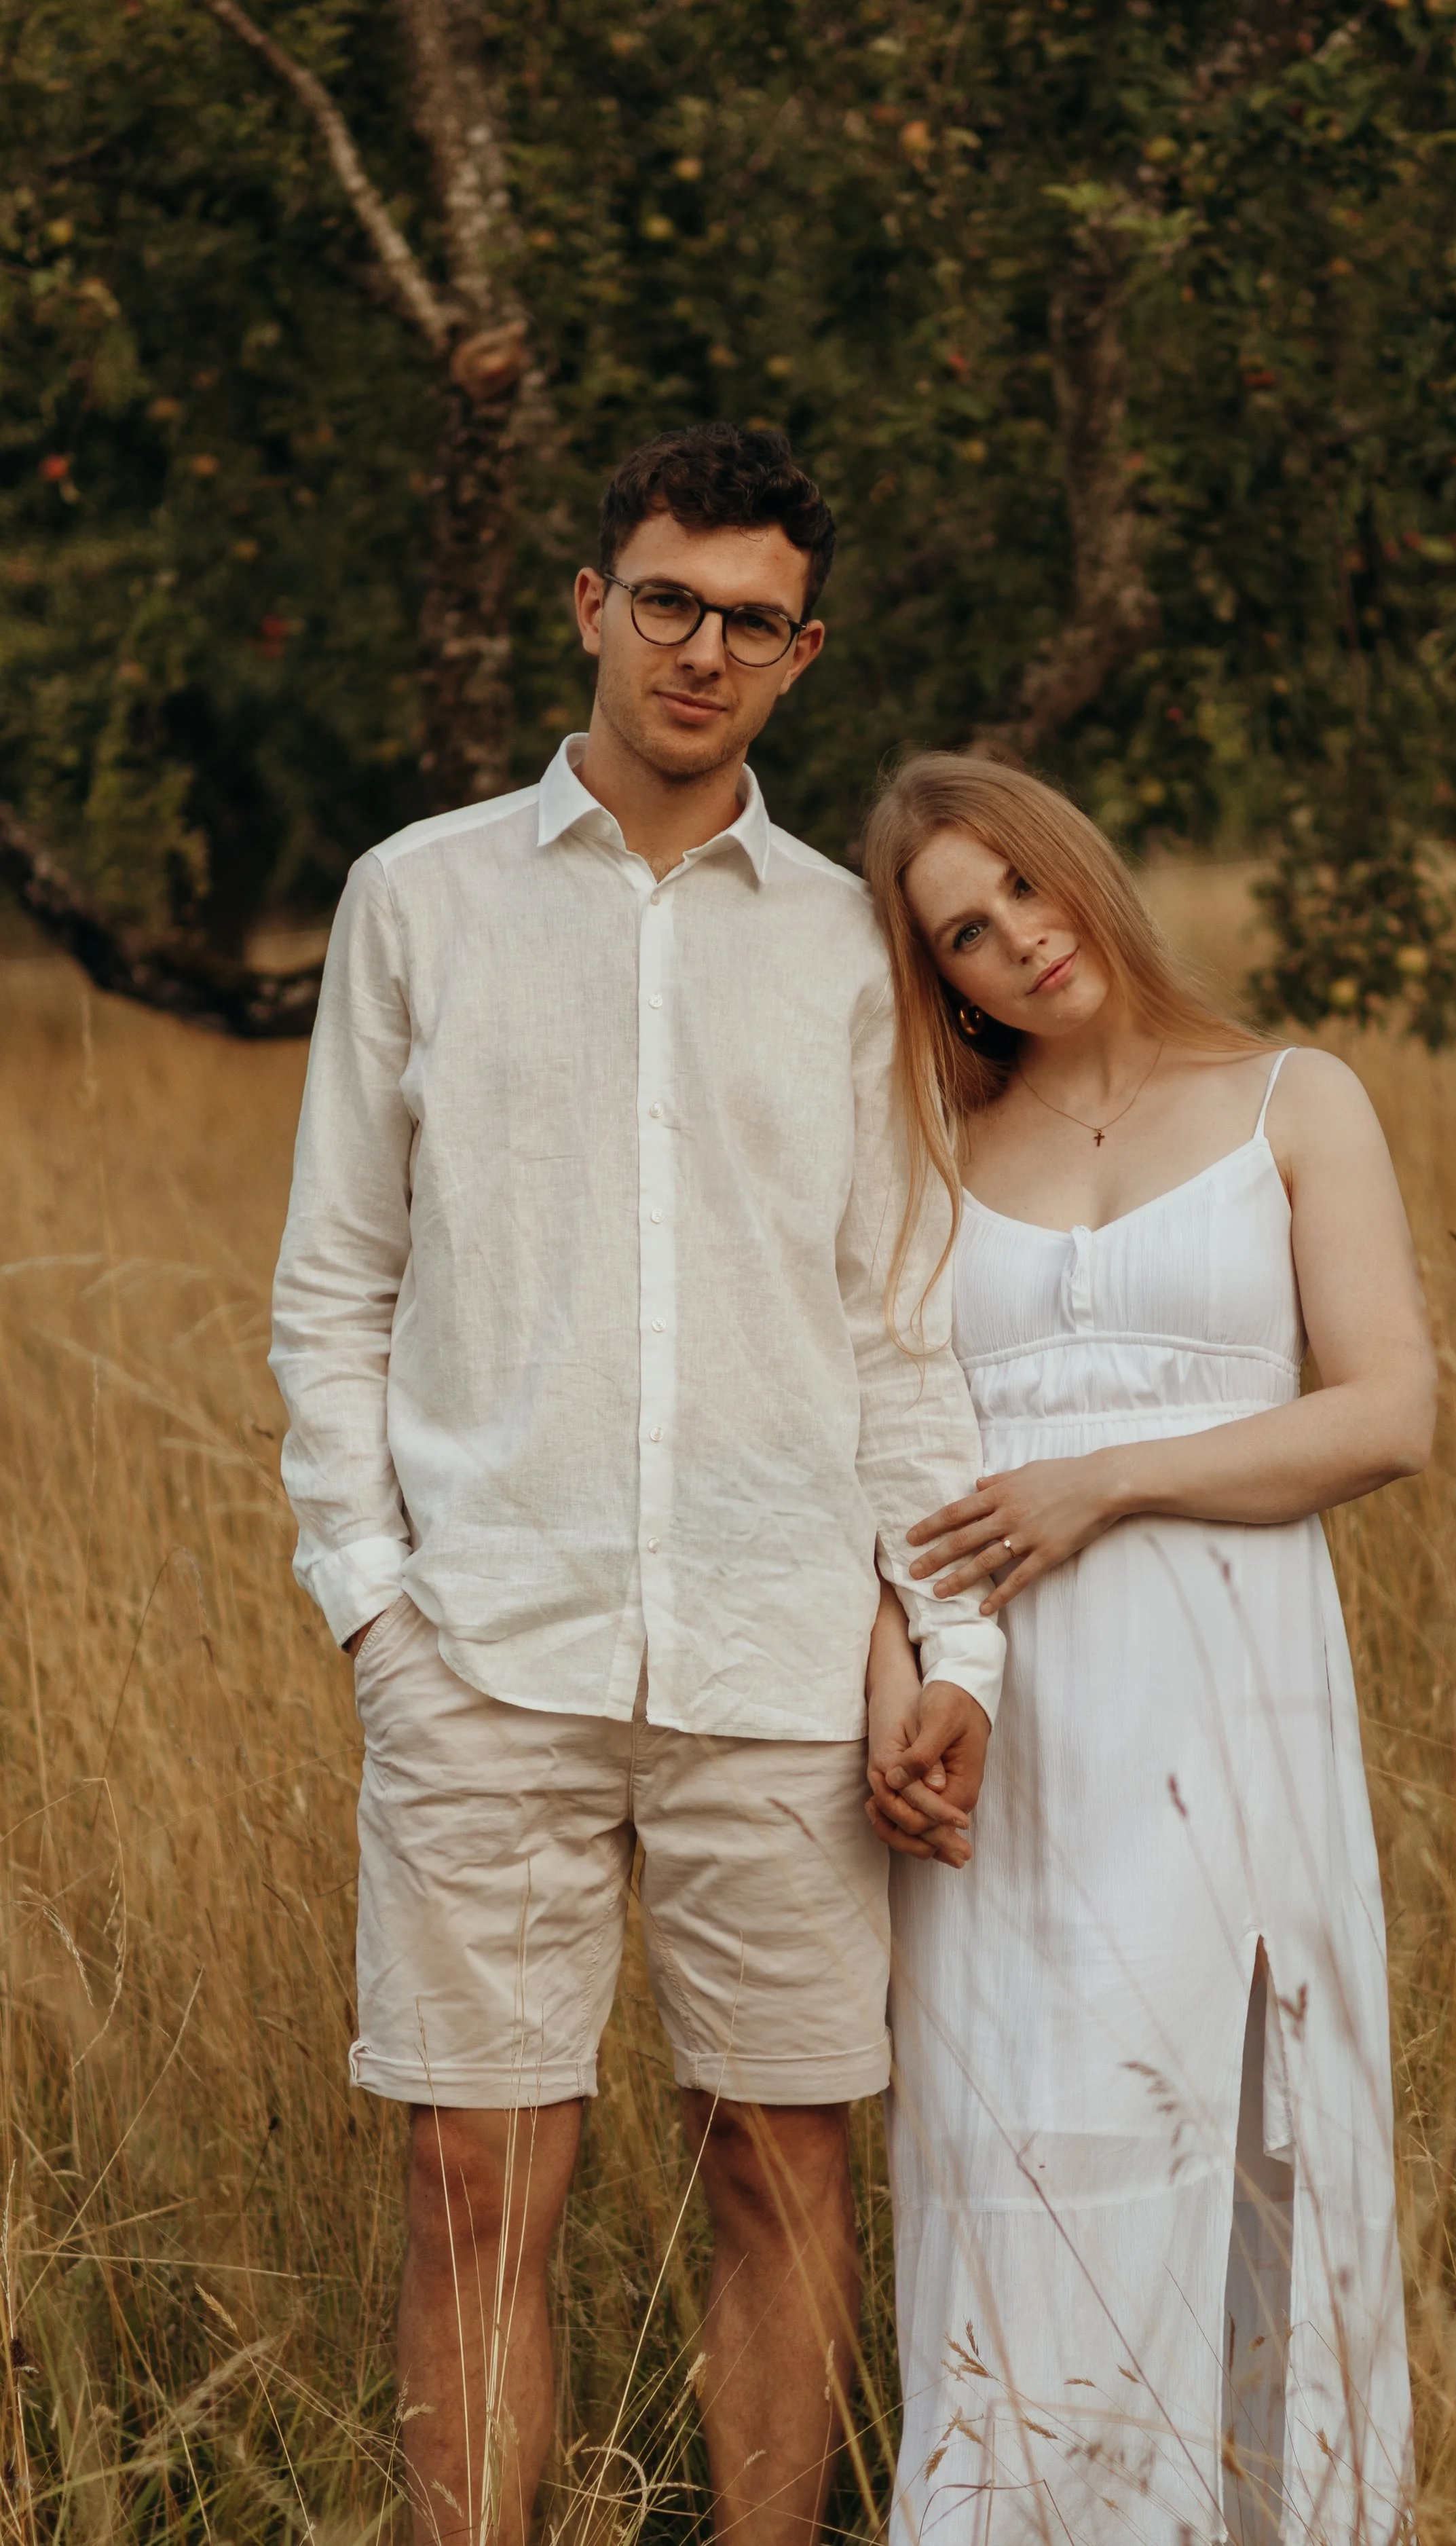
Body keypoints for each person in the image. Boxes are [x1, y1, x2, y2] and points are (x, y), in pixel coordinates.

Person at [268, 428, 1004, 2546]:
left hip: (778, 1659)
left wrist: (952, 1639)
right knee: (472, 2183)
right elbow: (338, 1280)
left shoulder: (849, 944)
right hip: (482, 1652)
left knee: (779, 2162)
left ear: (802, 656)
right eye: (664, 600)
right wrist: (376, 1615)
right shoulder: (418, 894)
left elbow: (896, 1319)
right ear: (590, 604)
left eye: (748, 620)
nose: (700, 648)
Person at [857, 754, 1433, 2546]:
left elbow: (1387, 1412)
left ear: (1081, 872)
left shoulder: (1289, 1099)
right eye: (965, 927)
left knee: (1244, 2130)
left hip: (1232, 1707)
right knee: (1029, 2144)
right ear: (934, 971)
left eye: (1025, 887)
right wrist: (897, 1695)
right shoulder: (923, 1161)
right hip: (1009, 1732)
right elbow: (873, 1465)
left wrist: (1101, 1481)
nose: (1018, 939)